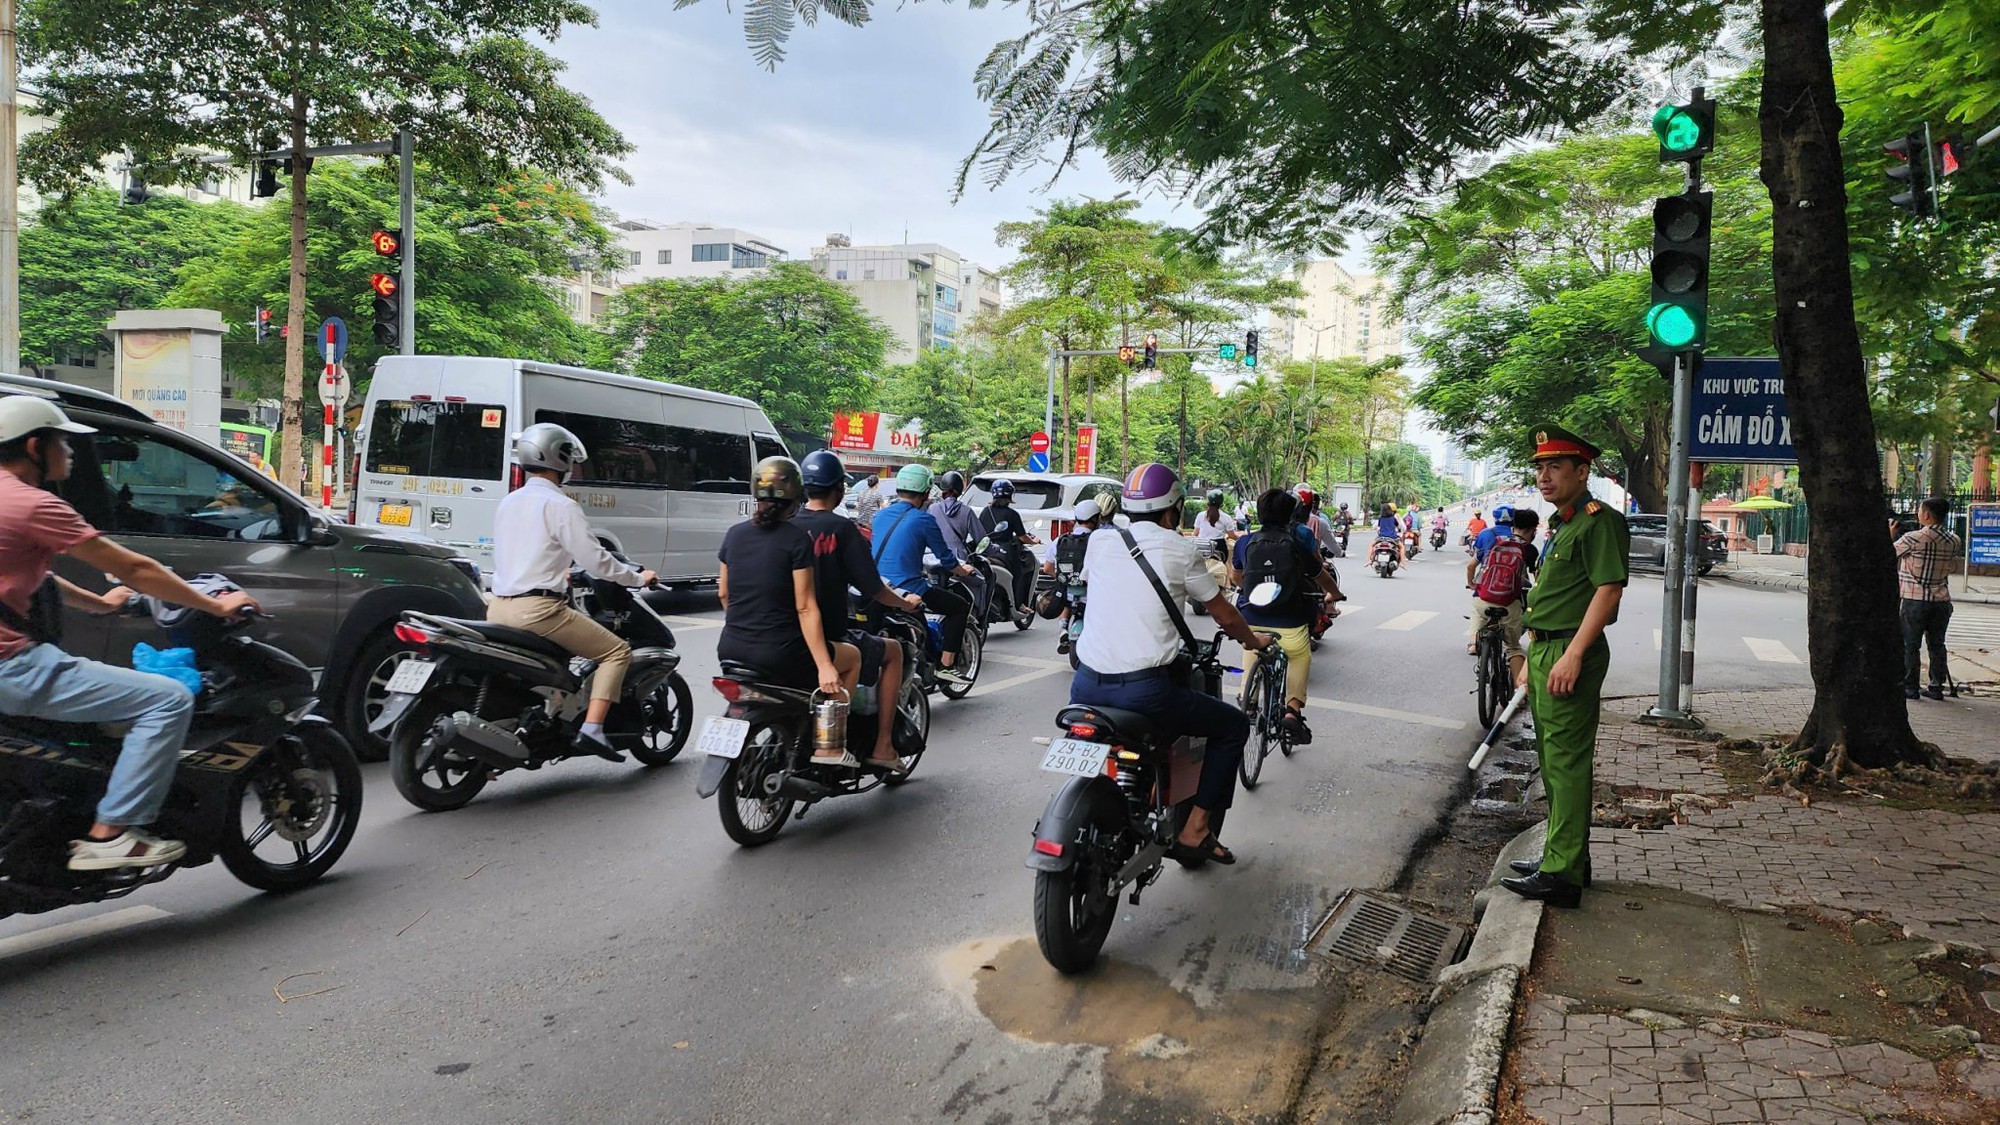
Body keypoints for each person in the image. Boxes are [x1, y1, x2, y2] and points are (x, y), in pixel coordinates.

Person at [0, 396, 261, 871]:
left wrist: (100, 603)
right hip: (12, 667)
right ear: (34, 446)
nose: (72, 453)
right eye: (62, 442)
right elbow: (135, 568)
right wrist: (214, 604)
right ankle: (112, 832)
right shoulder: (34, 503)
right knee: (167, 701)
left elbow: (32, 576)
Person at [1071, 462, 1271, 866]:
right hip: (1145, 690)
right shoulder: (1180, 550)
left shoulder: (1100, 542)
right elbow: (1225, 615)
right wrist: (1255, 641)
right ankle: (1195, 830)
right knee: (1232, 726)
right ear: (1170, 512)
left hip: (1085, 685)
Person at [1502, 426, 1629, 909]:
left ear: (1582, 471)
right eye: (1539, 466)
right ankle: (1566, 857)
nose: (1544, 475)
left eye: (1555, 466)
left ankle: (1561, 873)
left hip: (1569, 652)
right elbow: (1556, 597)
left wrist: (1573, 653)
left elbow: (1608, 591)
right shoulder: (1564, 523)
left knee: (1567, 764)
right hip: (1547, 650)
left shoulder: (1599, 523)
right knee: (1553, 765)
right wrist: (1531, 659)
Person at [489, 423, 659, 763]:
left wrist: (558, 570)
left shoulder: (509, 502)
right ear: (561, 459)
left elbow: (524, 551)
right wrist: (638, 579)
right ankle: (593, 729)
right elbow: (597, 561)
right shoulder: (560, 505)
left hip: (497, 608)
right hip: (539, 612)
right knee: (616, 653)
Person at [718, 457, 859, 765]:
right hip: (779, 653)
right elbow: (806, 607)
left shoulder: (734, 534)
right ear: (796, 496)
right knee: (853, 658)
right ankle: (829, 745)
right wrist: (825, 666)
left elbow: (724, 593)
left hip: (731, 650)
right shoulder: (796, 539)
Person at [795, 450, 925, 770]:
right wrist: (905, 602)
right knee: (893, 651)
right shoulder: (841, 529)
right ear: (839, 489)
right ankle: (881, 745)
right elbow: (874, 589)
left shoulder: (784, 527)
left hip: (778, 634)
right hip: (828, 636)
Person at [1232, 489, 1341, 744]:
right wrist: (1334, 593)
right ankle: (1292, 711)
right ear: (1290, 514)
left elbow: (1236, 578)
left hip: (1251, 617)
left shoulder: (1244, 542)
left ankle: (1248, 701)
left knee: (1252, 648)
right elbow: (1320, 576)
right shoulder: (1297, 543)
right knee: (1300, 655)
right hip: (1289, 621)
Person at [871, 464, 976, 681]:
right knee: (959, 607)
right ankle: (946, 666)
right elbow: (947, 559)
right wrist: (963, 570)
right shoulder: (924, 520)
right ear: (927, 492)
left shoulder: (880, 516)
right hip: (909, 588)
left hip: (878, 587)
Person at [1892, 497, 1960, 701]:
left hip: (1915, 599)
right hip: (1941, 600)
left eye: (1920, 510)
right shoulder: (1954, 540)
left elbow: (1887, 554)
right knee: (1937, 644)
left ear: (1927, 515)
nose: (1917, 514)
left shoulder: (1912, 538)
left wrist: (1891, 534)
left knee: (1910, 644)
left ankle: (1910, 687)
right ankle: (1936, 686)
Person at [1468, 509, 1541, 679]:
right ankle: (1519, 694)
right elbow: (1539, 581)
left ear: (1513, 525)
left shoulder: (1493, 541)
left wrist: (1472, 584)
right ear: (1533, 530)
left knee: (1477, 612)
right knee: (1513, 647)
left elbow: (1470, 566)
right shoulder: (1529, 549)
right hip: (1509, 604)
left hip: (1483, 599)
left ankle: (1476, 642)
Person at [1041, 497, 1105, 655]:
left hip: (1066, 595)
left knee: (1065, 592)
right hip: (1092, 596)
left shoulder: (1060, 540)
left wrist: (1064, 579)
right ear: (1096, 519)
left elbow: (1047, 568)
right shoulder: (1099, 541)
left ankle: (1063, 627)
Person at [929, 470, 988, 613]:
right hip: (959, 559)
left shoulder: (932, 508)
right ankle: (979, 617)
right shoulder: (966, 511)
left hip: (931, 559)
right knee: (981, 582)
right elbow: (981, 539)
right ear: (960, 489)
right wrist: (996, 550)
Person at [978, 478, 1041, 611]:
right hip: (1004, 552)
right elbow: (1023, 537)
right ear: (1010, 495)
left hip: (985, 550)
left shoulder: (985, 511)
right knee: (1018, 573)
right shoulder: (1012, 514)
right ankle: (1019, 604)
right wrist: (1034, 541)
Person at [1466, 504, 1517, 604]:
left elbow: (1470, 566)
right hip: (1511, 592)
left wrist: (1470, 583)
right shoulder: (1518, 535)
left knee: (1478, 613)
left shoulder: (1485, 533)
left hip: (1485, 586)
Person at [1193, 489, 1239, 589]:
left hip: (1202, 546)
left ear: (1207, 502)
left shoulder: (1200, 516)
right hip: (1219, 547)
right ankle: (1228, 584)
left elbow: (1195, 533)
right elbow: (1232, 536)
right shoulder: (1226, 517)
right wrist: (1240, 537)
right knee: (1227, 562)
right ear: (1222, 503)